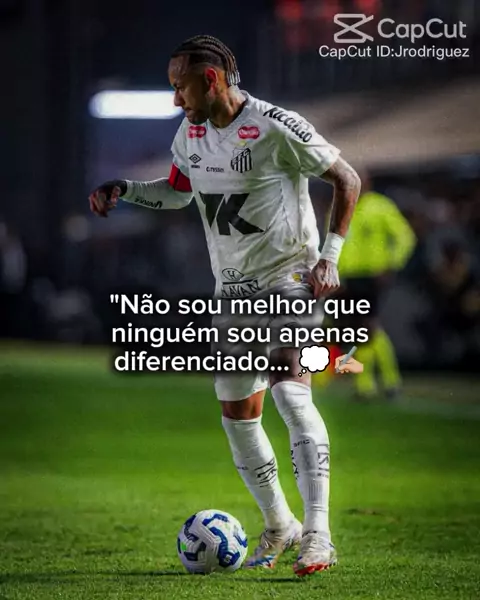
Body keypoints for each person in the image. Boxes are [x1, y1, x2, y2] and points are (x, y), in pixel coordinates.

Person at [89, 35, 360, 576]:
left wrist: (329, 258)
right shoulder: (190, 133)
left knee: (292, 397)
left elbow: (346, 179)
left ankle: (319, 535)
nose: (175, 99)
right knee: (238, 416)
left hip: (289, 281)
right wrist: (127, 189)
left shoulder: (276, 126)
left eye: (180, 87)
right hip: (232, 295)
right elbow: (178, 190)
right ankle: (280, 523)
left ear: (210, 79)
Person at [335, 171, 416, 399]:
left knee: (367, 327)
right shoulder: (341, 205)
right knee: (362, 329)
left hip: (371, 275)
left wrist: (391, 264)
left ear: (367, 182)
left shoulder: (380, 206)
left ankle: (374, 384)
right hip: (348, 278)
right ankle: (379, 384)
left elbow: (405, 237)